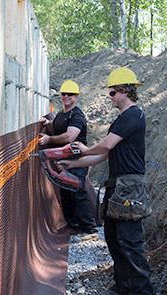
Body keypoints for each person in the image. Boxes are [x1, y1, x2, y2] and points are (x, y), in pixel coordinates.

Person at [57, 68, 154, 295]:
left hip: (129, 188)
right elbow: (104, 155)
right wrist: (73, 164)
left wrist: (85, 149)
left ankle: (142, 291)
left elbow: (106, 145)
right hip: (118, 186)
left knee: (130, 242)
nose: (109, 98)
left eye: (112, 94)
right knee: (112, 237)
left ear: (124, 91)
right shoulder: (122, 119)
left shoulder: (133, 116)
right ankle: (123, 287)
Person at [39, 80, 98, 239]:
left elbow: (70, 135)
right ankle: (73, 226)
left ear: (76, 96)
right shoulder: (61, 114)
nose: (66, 97)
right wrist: (48, 123)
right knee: (66, 192)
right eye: (64, 94)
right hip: (64, 159)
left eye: (70, 94)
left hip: (77, 159)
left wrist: (49, 139)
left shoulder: (77, 115)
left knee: (78, 191)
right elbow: (58, 125)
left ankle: (90, 230)